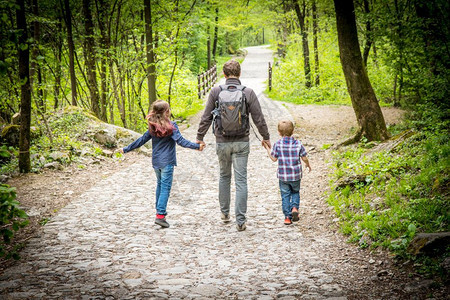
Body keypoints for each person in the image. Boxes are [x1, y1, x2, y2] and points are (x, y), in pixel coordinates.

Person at [196, 59, 271, 231]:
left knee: (224, 176)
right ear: (239, 74)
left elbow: (206, 116)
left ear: (223, 74)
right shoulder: (248, 92)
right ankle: (241, 221)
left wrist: (200, 137)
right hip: (242, 142)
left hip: (222, 142)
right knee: (241, 180)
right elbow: (259, 119)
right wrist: (265, 137)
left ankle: (224, 213)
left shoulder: (216, 91)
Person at [120, 100, 204, 228]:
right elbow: (181, 141)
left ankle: (158, 212)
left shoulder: (152, 126)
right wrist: (196, 146)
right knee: (165, 188)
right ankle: (160, 215)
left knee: (160, 185)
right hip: (167, 162)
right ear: (167, 112)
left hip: (156, 162)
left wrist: (126, 149)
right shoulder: (172, 126)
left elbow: (141, 140)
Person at [264, 120, 311, 225]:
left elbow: (273, 158)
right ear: (293, 131)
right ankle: (294, 208)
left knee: (285, 195)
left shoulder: (278, 144)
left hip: (283, 177)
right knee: (295, 192)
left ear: (279, 132)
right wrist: (308, 164)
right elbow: (304, 157)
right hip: (295, 175)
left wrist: (267, 148)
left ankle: (287, 217)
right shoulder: (298, 144)